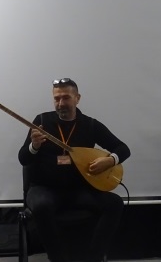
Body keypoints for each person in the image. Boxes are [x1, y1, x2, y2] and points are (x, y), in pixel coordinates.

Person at [18, 77, 130, 262]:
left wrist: (110, 161)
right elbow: (23, 159)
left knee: (115, 203)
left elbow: (123, 149)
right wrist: (34, 146)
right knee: (41, 205)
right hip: (45, 188)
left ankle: (94, 257)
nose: (61, 103)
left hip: (79, 190)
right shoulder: (42, 121)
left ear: (77, 98)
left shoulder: (90, 125)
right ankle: (58, 258)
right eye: (56, 98)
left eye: (66, 98)